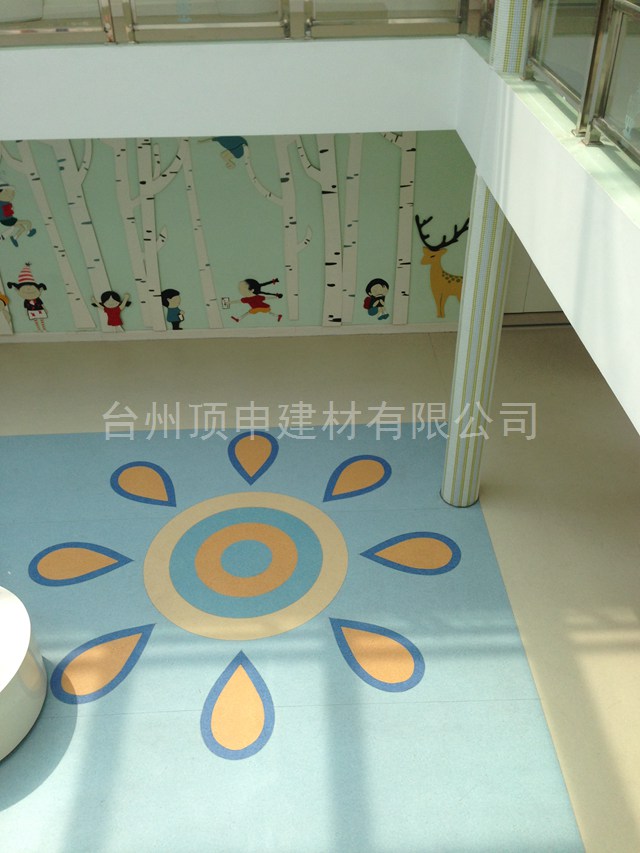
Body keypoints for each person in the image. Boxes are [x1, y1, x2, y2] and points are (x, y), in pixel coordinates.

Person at [6, 263, 47, 331]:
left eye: (31, 287)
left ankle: (44, 328)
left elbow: (42, 304)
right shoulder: (26, 301)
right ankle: (38, 329)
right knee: (35, 319)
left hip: (40, 310)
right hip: (31, 311)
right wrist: (26, 312)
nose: (28, 289)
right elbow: (25, 307)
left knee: (41, 318)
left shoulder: (37, 299)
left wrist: (45, 309)